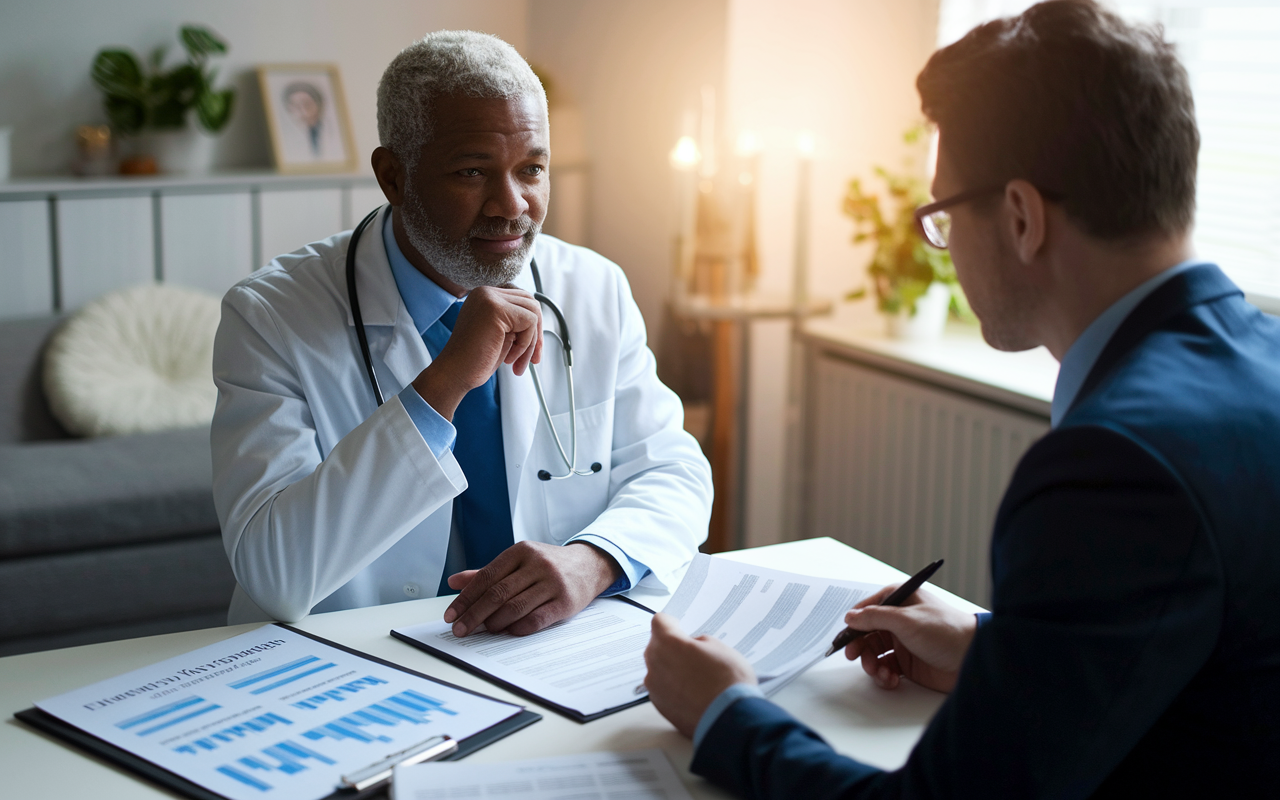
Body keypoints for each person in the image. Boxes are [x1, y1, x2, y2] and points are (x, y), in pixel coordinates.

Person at [643, 1, 1280, 796]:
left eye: (941, 214)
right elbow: (1214, 662)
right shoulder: (1263, 366)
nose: (940, 247)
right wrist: (994, 645)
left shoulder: (1116, 461)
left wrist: (725, 714)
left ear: (1020, 217)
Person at [211, 31, 712, 635]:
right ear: (393, 177)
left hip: (542, 649)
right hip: (352, 660)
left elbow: (673, 472)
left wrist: (593, 560)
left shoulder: (593, 288)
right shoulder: (269, 316)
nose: (511, 205)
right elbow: (274, 575)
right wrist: (445, 381)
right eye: (472, 171)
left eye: (532, 169)